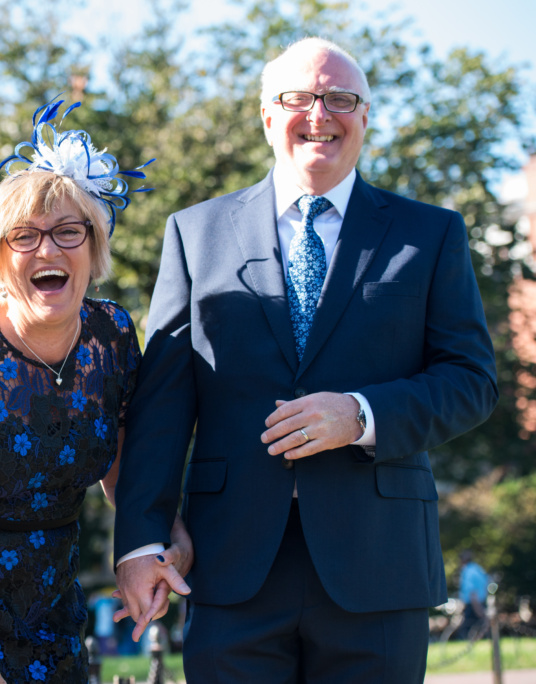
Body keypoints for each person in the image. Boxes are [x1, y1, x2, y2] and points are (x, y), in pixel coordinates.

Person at [113, 37, 499, 683]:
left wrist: (361, 414)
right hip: (229, 564)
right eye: (299, 98)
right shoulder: (194, 231)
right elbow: (162, 403)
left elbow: (472, 381)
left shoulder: (430, 234)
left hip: (379, 566)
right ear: (268, 116)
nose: (320, 114)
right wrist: (140, 540)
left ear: (366, 118)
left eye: (341, 98)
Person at [0, 98, 190, 683]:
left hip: (50, 587)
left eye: (68, 232)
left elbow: (125, 477)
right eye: (24, 237)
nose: (48, 250)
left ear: (94, 249)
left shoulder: (114, 335)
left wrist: (161, 543)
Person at [458, 550, 490, 639]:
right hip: (479, 602)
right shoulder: (478, 569)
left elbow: (472, 593)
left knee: (469, 630)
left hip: (474, 604)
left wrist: (478, 609)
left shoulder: (468, 572)